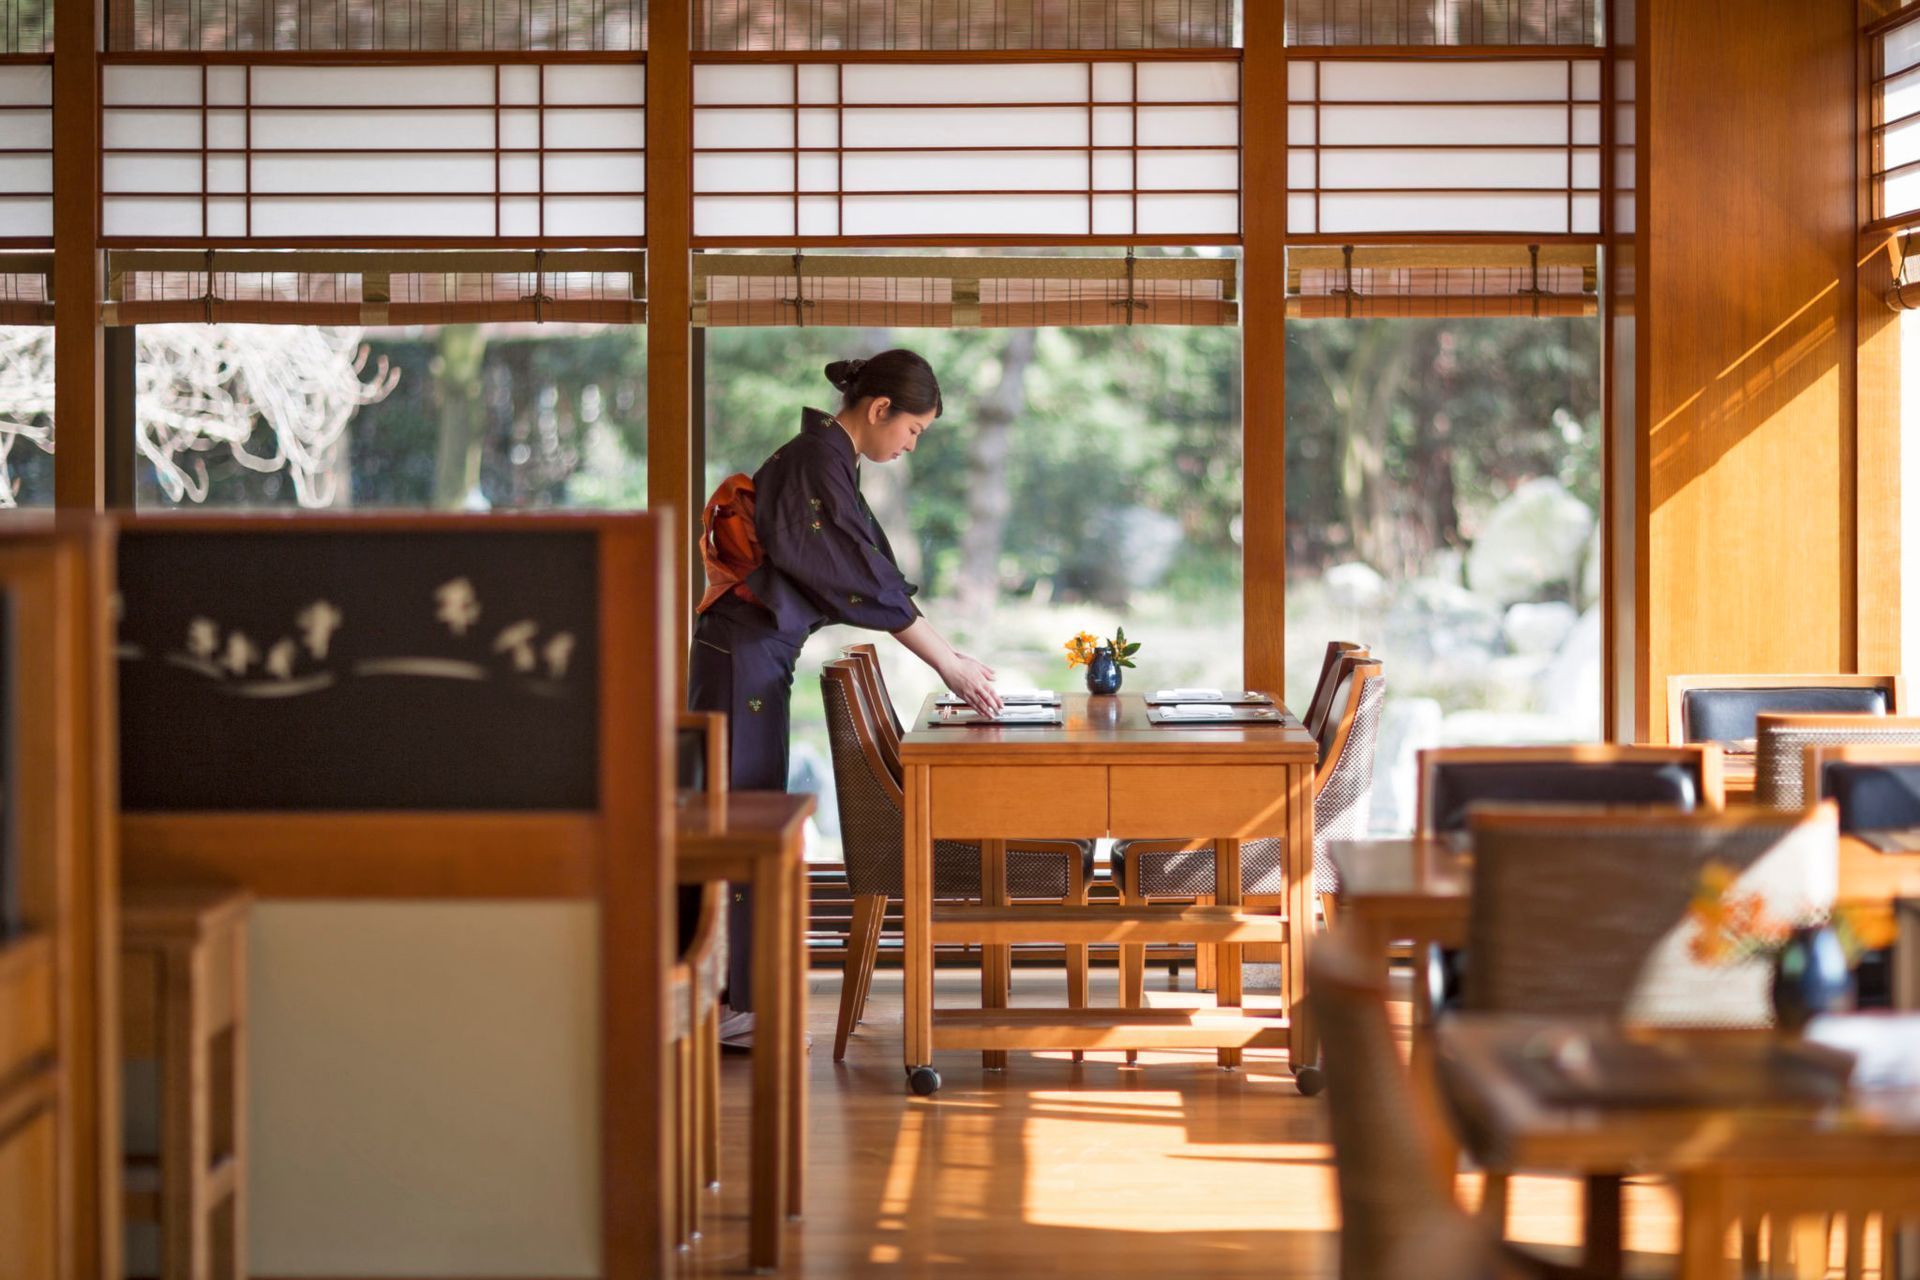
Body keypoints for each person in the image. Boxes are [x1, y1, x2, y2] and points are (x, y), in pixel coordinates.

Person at [690, 349, 1003, 1047]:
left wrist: (950, 657)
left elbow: (871, 573)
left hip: (750, 652)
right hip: (741, 654)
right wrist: (947, 663)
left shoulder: (827, 463)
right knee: (744, 823)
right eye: (914, 430)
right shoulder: (813, 463)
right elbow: (859, 577)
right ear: (880, 409)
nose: (911, 444)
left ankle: (738, 996)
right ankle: (736, 1004)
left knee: (749, 817)